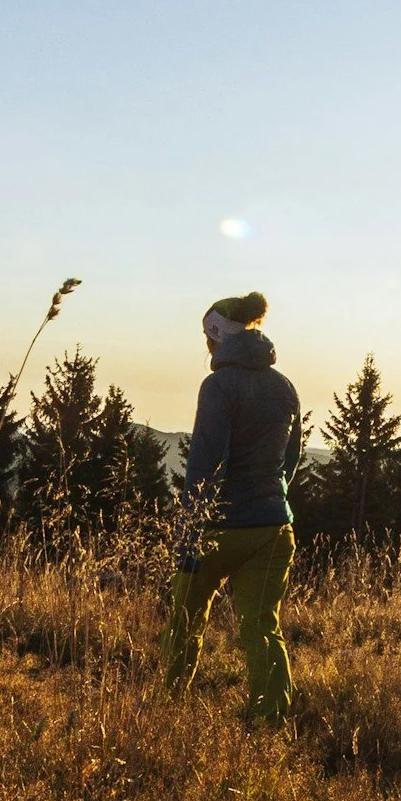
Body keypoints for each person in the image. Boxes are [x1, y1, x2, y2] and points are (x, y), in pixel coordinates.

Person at [163, 292, 303, 727]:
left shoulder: (218, 386)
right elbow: (291, 460)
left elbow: (206, 462)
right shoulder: (284, 387)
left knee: (185, 618)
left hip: (220, 527)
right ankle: (269, 721)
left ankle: (168, 710)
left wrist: (190, 532)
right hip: (273, 527)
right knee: (262, 628)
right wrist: (269, 497)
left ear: (218, 338)